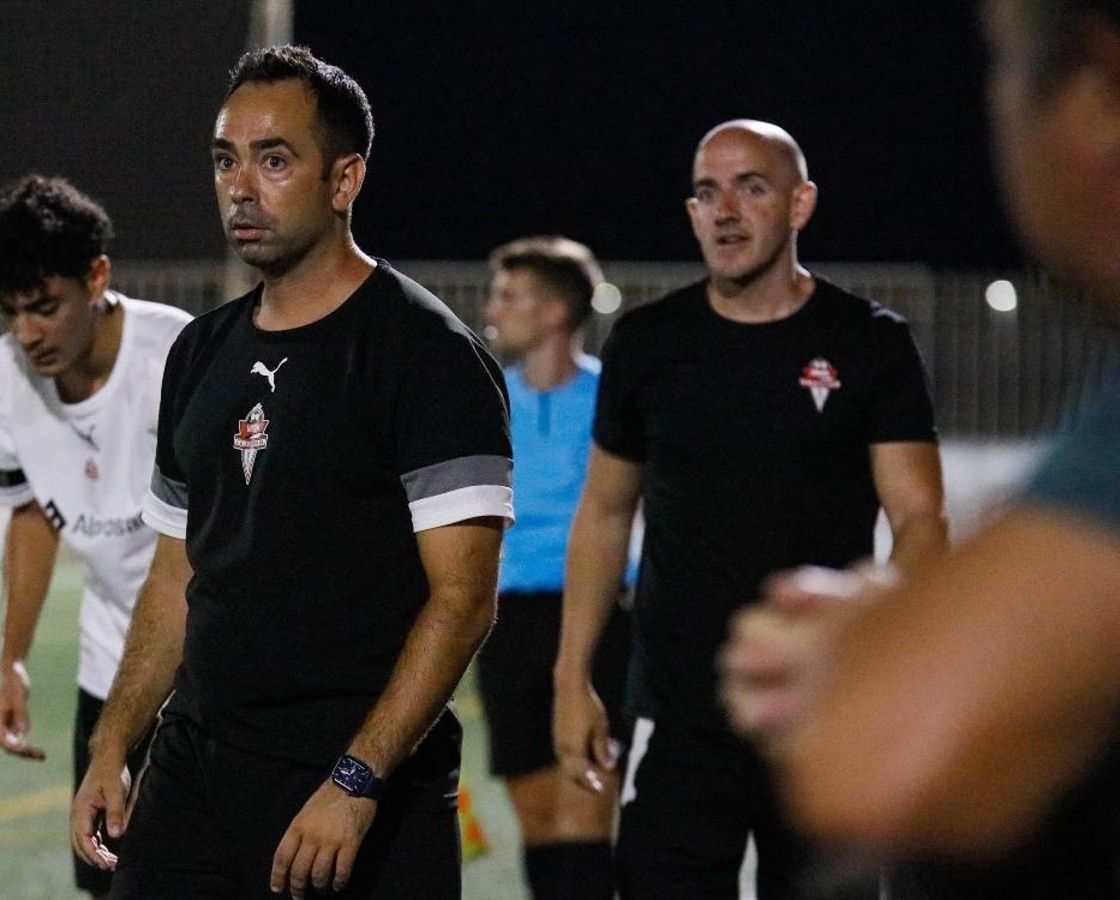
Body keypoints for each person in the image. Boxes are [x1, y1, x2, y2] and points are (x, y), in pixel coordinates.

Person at [69, 45, 514, 900]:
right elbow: (175, 575)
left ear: (344, 180)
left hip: (352, 789)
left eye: (274, 160)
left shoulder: (426, 356)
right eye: (226, 160)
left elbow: (462, 601)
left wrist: (356, 782)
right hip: (194, 773)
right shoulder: (201, 351)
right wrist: (113, 744)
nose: (242, 186)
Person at [720, 0, 1120, 893]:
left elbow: (879, 759)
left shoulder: (866, 340)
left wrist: (863, 660)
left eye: (1006, 67)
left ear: (1100, 93)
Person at [552, 119, 949, 898]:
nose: (723, 210)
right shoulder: (648, 343)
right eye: (706, 192)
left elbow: (921, 522)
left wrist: (870, 648)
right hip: (677, 711)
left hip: (818, 708)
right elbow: (603, 512)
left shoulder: (869, 342)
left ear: (800, 204)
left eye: (750, 187)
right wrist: (574, 680)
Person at [0, 173, 191, 900]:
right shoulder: (2, 376)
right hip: (109, 672)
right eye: (10, 313)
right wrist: (13, 663)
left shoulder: (179, 357)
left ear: (98, 275)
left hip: (205, 674)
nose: (27, 333)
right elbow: (30, 516)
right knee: (110, 886)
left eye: (44, 307)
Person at [479, 236, 631, 900]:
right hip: (508, 621)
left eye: (510, 296)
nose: (492, 309)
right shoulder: (489, 399)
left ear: (556, 312)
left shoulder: (613, 397)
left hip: (594, 614)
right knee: (537, 818)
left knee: (587, 803)